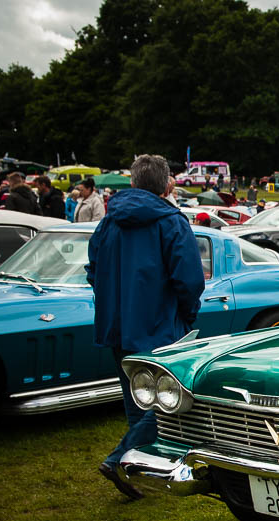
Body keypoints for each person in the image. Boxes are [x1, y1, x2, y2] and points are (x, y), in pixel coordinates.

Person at [86, 154, 204, 500]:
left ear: (135, 183)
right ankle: (121, 459)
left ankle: (135, 467)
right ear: (166, 184)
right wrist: (187, 314)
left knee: (138, 400)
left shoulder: (109, 222)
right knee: (172, 400)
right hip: (158, 326)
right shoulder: (170, 221)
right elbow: (189, 280)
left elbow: (93, 269)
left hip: (119, 324)